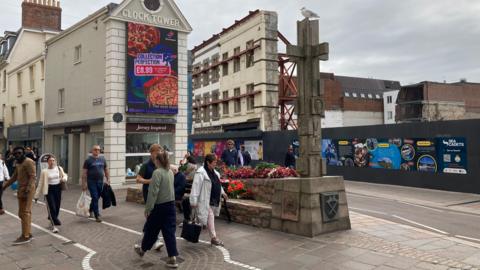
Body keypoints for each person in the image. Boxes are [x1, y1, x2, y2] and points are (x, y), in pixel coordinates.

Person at [134, 151, 179, 268]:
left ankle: (142, 250)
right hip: (171, 205)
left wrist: (148, 208)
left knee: (151, 230)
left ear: (157, 161)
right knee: (169, 233)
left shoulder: (157, 173)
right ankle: (172, 258)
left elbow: (153, 192)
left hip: (159, 207)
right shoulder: (170, 172)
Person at [190, 153, 228, 246]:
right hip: (204, 199)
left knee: (206, 217)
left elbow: (218, 185)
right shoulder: (200, 173)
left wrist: (223, 193)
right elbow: (195, 186)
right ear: (208, 162)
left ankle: (201, 227)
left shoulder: (215, 173)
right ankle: (214, 238)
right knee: (210, 216)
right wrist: (193, 201)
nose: (216, 164)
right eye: (214, 162)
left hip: (213, 199)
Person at [2, 146, 36, 245]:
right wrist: (4, 186)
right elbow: (14, 177)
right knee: (21, 213)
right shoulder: (18, 163)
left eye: (19, 153)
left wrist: (28, 190)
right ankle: (27, 233)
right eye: (15, 154)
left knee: (25, 212)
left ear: (23, 153)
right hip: (21, 190)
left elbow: (32, 176)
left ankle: (25, 236)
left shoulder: (28, 162)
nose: (17, 155)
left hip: (28, 191)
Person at [136, 144, 164, 251]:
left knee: (153, 217)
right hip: (148, 194)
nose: (158, 155)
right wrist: (150, 181)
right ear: (151, 153)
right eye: (157, 153)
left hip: (160, 194)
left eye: (160, 153)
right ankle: (156, 240)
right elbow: (138, 179)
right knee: (152, 216)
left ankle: (146, 232)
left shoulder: (161, 164)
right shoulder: (146, 165)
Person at [35, 155, 67, 227]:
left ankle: (52, 218)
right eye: (50, 161)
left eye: (53, 160)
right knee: (51, 206)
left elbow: (65, 175)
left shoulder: (59, 168)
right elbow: (40, 183)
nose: (52, 162)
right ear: (47, 162)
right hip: (49, 190)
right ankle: (54, 220)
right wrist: (36, 195)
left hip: (58, 188)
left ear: (55, 161)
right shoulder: (44, 171)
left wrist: (64, 179)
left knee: (57, 205)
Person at [82, 145, 110, 223]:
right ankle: (97, 215)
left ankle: (90, 209)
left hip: (100, 181)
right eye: (95, 149)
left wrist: (108, 179)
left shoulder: (103, 159)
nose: (97, 151)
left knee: (96, 197)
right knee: (94, 196)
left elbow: (106, 169)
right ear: (92, 150)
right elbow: (84, 173)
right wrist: (84, 184)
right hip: (91, 181)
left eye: (98, 150)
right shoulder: (88, 160)